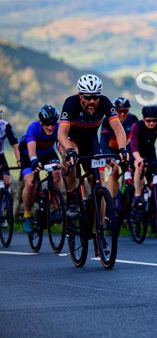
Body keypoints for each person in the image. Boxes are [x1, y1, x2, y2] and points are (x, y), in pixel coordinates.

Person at [58, 74, 130, 217]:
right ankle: (72, 197)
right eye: (88, 97)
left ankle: (100, 229)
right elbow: (61, 134)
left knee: (99, 184)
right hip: (70, 140)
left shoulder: (104, 103)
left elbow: (118, 128)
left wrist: (123, 149)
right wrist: (70, 151)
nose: (92, 101)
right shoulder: (71, 103)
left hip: (91, 142)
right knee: (72, 157)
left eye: (95, 97)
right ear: (80, 95)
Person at [20, 105, 63, 233]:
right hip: (28, 154)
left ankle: (56, 207)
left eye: (52, 124)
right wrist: (34, 160)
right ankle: (27, 215)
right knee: (30, 183)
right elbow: (31, 149)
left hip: (47, 153)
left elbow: (61, 146)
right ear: (41, 122)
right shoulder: (33, 128)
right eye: (46, 124)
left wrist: (66, 158)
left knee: (57, 172)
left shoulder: (58, 128)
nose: (50, 127)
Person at [130, 105, 157, 212]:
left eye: (154, 121)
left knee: (156, 185)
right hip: (137, 154)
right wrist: (139, 159)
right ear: (143, 118)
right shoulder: (137, 126)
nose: (151, 123)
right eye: (148, 121)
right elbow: (133, 146)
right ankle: (137, 196)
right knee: (141, 167)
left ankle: (156, 214)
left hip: (151, 155)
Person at [101, 97, 138, 208]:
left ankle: (131, 200)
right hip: (111, 151)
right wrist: (109, 158)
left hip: (126, 151)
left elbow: (134, 142)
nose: (122, 114)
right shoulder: (107, 121)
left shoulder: (133, 120)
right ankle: (112, 202)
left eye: (125, 111)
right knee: (114, 169)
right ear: (114, 111)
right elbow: (103, 142)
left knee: (132, 170)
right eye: (119, 111)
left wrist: (131, 160)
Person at [0, 108, 21, 227]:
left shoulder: (5, 126)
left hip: (1, 155)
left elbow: (15, 145)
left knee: (7, 182)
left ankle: (2, 210)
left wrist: (19, 160)